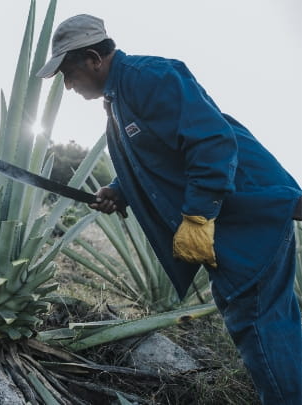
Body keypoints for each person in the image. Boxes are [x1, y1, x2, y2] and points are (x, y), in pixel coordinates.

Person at [37, 14, 302, 405]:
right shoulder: (119, 101)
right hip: (227, 223)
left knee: (259, 324)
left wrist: (197, 215)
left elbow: (211, 142)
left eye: (68, 71)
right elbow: (159, 161)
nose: (68, 84)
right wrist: (118, 190)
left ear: (94, 58)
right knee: (269, 322)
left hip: (247, 218)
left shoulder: (148, 77)